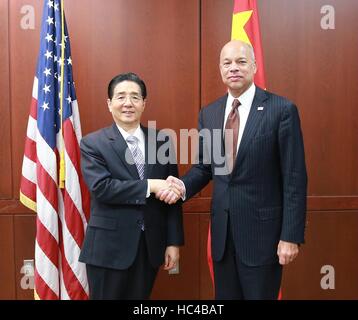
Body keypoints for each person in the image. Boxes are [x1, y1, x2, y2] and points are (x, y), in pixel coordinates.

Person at [159, 40, 307, 300]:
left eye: (240, 61)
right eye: (227, 63)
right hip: (223, 239)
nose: (233, 68)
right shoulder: (211, 113)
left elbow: (294, 178)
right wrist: (181, 186)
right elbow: (205, 166)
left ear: (254, 65)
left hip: (264, 238)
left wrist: (290, 236)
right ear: (220, 69)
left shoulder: (281, 110)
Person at [79, 72, 184, 299]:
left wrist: (173, 242)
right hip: (108, 250)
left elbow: (173, 195)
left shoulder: (162, 141)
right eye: (121, 97)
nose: (128, 103)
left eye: (135, 97)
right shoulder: (92, 143)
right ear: (109, 103)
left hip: (149, 249)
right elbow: (102, 188)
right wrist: (150, 186)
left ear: (144, 103)